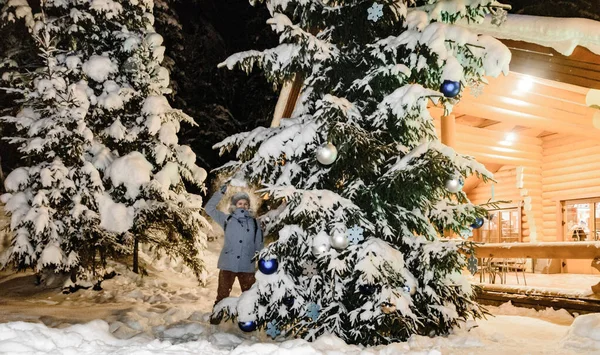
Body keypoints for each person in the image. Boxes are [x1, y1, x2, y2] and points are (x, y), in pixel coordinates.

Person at [205, 183, 263, 324]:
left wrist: (260, 266)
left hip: (247, 266)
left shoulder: (255, 223)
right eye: (239, 203)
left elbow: (259, 246)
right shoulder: (227, 219)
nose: (242, 206)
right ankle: (215, 319)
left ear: (248, 206)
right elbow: (209, 208)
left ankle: (249, 321)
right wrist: (221, 192)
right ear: (234, 205)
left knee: (249, 297)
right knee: (222, 295)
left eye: (245, 203)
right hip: (228, 264)